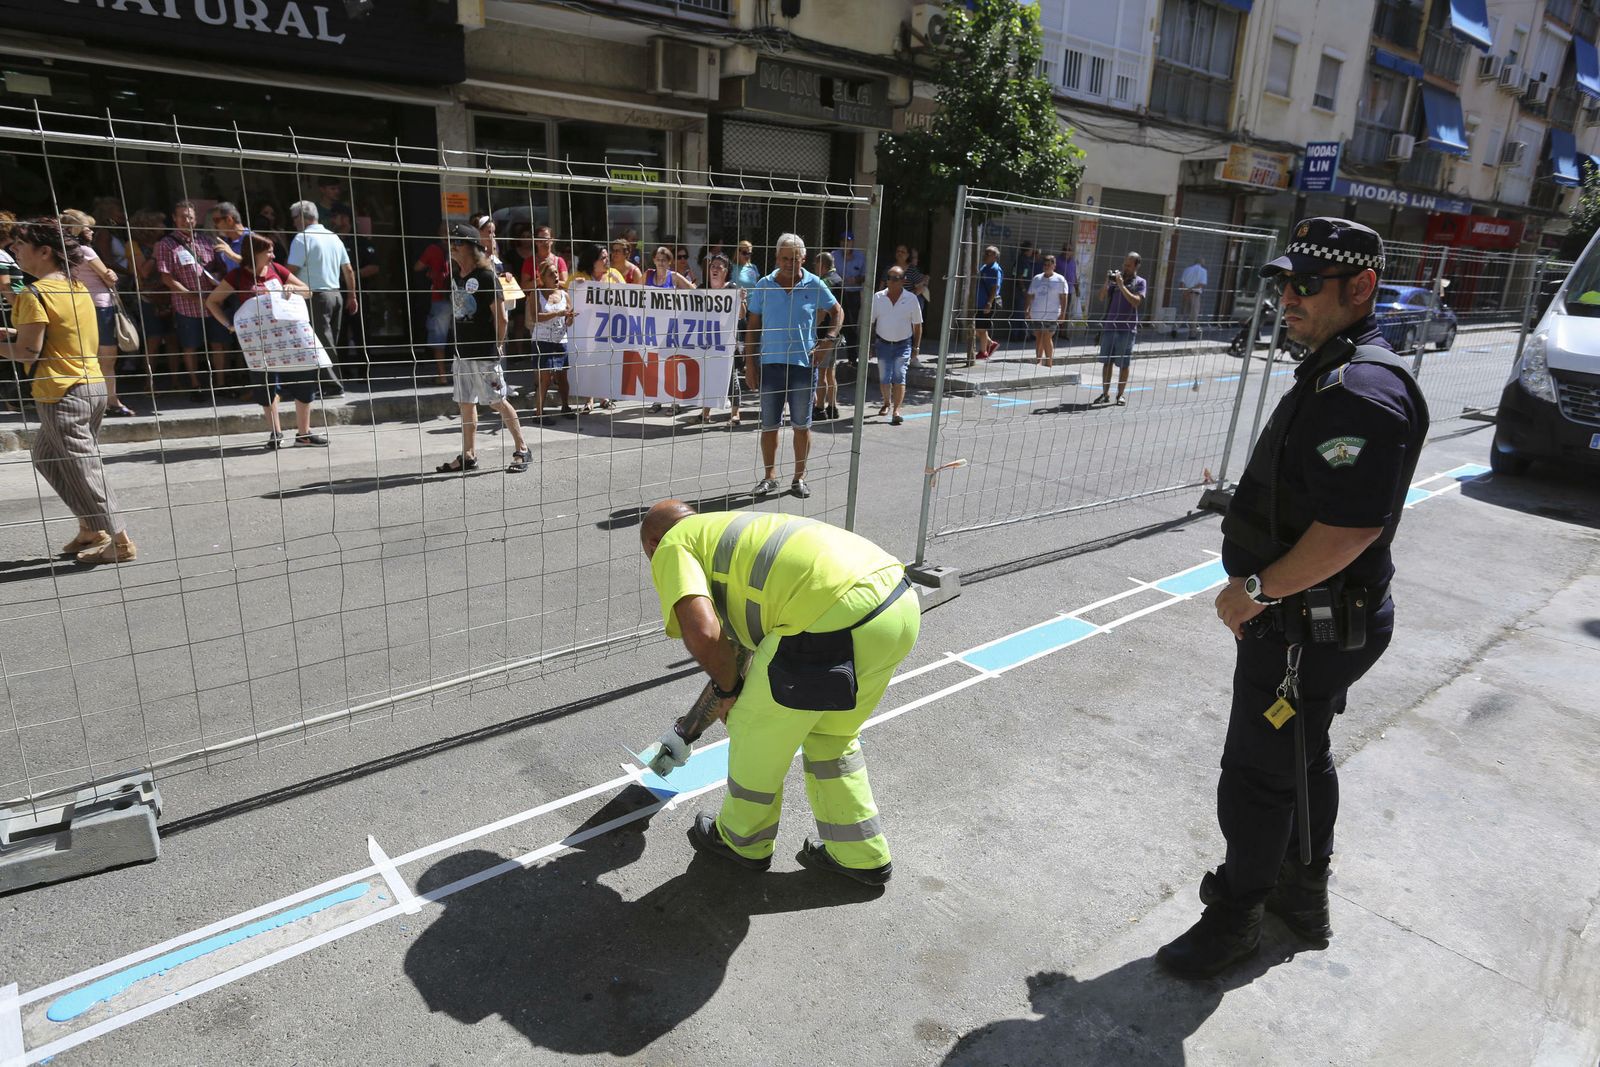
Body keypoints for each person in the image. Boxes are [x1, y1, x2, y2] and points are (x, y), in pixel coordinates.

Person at [1156, 218, 1429, 979]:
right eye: (1284, 282)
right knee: (1301, 758)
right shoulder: (1337, 372)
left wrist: (1252, 591)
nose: (1289, 297)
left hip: (1304, 626)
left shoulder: (1359, 391)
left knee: (1257, 772)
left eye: (1307, 284)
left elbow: (1348, 529)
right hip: (1314, 622)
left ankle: (1238, 915)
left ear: (1361, 288)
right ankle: (1302, 897)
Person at [635, 500, 920, 885]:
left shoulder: (672, 544)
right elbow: (733, 653)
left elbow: (704, 635)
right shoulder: (728, 534)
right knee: (831, 737)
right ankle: (860, 855)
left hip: (830, 615)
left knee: (755, 732)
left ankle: (740, 841)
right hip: (897, 605)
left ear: (652, 544)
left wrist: (729, 691)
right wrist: (688, 730)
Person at [0, 217, 135, 565]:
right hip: (90, 386)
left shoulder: (35, 293)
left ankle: (119, 541)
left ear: (45, 251)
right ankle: (92, 527)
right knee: (47, 456)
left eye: (20, 244)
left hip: (62, 392)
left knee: (84, 467)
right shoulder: (76, 287)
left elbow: (29, 352)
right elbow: (58, 337)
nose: (13, 249)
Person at [206, 232, 326, 450]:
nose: (272, 255)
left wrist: (292, 288)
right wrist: (229, 325)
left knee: (304, 381)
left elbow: (307, 291)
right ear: (254, 253)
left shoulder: (277, 270)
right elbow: (212, 301)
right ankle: (276, 433)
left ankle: (304, 434)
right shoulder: (237, 276)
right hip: (258, 343)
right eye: (268, 251)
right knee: (266, 386)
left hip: (290, 339)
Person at [743, 233, 841, 500]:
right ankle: (769, 477)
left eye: (795, 259)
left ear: (804, 259)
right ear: (777, 258)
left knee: (801, 425)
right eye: (785, 258)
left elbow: (837, 311)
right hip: (770, 364)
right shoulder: (764, 285)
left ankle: (799, 478)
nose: (789, 263)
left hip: (802, 366)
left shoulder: (815, 283)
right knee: (770, 425)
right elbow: (752, 326)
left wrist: (829, 340)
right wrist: (750, 363)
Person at [437, 223, 529, 475]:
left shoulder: (487, 277)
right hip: (461, 353)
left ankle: (522, 448)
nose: (452, 247)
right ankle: (468, 455)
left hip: (484, 353)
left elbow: (503, 317)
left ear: (471, 247)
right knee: (466, 403)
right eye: (451, 242)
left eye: (458, 243)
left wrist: (499, 345)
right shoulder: (457, 277)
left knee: (497, 401)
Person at [59, 210, 134, 417]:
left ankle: (89, 401)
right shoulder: (87, 251)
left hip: (78, 306)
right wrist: (111, 275)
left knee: (84, 356)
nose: (92, 231)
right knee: (108, 357)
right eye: (87, 228)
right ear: (77, 230)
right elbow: (109, 278)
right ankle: (111, 400)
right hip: (101, 306)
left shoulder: (63, 252)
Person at [286, 200, 353, 397]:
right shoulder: (333, 237)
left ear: (301, 217)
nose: (293, 223)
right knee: (328, 341)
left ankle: (332, 385)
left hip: (314, 296)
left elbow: (292, 269)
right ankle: (324, 383)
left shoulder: (302, 238)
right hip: (336, 295)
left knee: (320, 342)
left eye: (294, 219)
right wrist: (352, 296)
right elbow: (348, 269)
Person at [156, 199, 220, 401]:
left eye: (190, 217)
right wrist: (192, 295)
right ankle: (196, 384)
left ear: (196, 219)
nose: (187, 220)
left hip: (212, 303)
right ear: (174, 219)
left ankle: (221, 384)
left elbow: (218, 267)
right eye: (182, 216)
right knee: (190, 345)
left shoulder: (207, 241)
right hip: (186, 305)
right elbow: (167, 277)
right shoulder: (167, 244)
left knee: (218, 343)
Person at [871, 266, 923, 426]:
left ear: (903, 281)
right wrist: (869, 345)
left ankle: (896, 410)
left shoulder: (911, 299)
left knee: (899, 375)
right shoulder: (878, 297)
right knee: (884, 378)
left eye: (896, 278)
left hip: (903, 344)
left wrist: (916, 347)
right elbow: (870, 322)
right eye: (889, 277)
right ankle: (886, 402)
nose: (891, 281)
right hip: (883, 344)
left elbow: (918, 325)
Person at [697, 252, 743, 428]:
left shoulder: (732, 289)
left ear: (726, 271)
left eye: (719, 267)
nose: (715, 269)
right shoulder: (703, 288)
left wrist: (741, 300)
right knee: (708, 375)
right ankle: (705, 413)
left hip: (726, 342)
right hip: (706, 341)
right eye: (712, 266)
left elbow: (742, 315)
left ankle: (735, 413)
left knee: (731, 376)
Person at [1094, 251, 1146, 406]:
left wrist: (1122, 286)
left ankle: (1121, 395)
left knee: (1124, 363)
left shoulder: (1140, 282)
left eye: (1129, 265)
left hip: (1127, 328)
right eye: (1125, 264)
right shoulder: (1116, 281)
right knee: (1107, 362)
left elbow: (1135, 302)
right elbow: (1102, 297)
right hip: (1110, 326)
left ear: (1136, 266)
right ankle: (1105, 394)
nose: (1125, 267)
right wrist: (1107, 282)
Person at [526, 259, 574, 419]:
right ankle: (538, 412)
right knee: (544, 378)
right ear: (543, 277)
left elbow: (568, 321)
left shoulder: (565, 295)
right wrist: (557, 314)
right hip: (542, 340)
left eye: (556, 272)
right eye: (551, 273)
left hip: (560, 340)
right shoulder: (536, 293)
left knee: (562, 376)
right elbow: (535, 317)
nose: (556, 276)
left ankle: (566, 406)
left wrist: (570, 318)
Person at [413, 223, 453, 384]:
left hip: (440, 297)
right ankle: (464, 375)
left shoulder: (433, 249)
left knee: (439, 337)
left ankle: (442, 375)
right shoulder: (461, 249)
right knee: (462, 336)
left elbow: (417, 267)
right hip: (459, 299)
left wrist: (431, 271)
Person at [811, 250, 844, 422]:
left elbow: (823, 310)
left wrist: (812, 327)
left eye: (815, 265)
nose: (814, 268)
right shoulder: (838, 279)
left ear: (822, 265)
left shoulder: (824, 282)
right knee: (831, 373)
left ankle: (819, 408)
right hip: (836, 333)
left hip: (825, 334)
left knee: (821, 372)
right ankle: (833, 407)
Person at [1026, 254, 1069, 368]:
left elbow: (1064, 297)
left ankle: (1049, 362)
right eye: (1045, 265)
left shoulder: (1060, 279)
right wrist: (1027, 309)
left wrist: (1063, 314)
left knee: (1047, 336)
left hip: (1052, 314)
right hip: (1036, 313)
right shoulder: (1037, 278)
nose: (1046, 267)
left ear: (1054, 266)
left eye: (1049, 265)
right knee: (1039, 337)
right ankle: (1038, 361)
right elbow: (1030, 295)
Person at [831, 230, 865, 349]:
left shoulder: (860, 257)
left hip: (853, 293)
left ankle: (852, 355)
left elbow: (866, 276)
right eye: (843, 241)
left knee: (852, 323)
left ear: (853, 242)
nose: (846, 244)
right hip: (837, 293)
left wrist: (856, 279)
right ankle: (836, 342)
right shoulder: (833, 256)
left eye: (848, 241)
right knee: (835, 319)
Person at [969, 245, 1003, 362]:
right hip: (980, 303)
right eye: (985, 253)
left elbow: (995, 287)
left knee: (981, 328)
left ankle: (983, 352)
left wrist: (989, 303)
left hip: (988, 303)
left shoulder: (995, 269)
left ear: (995, 257)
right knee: (979, 327)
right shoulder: (984, 267)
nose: (985, 255)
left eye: (988, 254)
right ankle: (990, 344)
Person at [1180, 256, 1208, 339]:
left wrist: (1185, 291)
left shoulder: (1187, 269)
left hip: (1185, 293)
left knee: (1182, 312)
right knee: (1194, 315)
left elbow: (1182, 282)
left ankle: (1175, 328)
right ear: (1202, 262)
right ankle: (1192, 334)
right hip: (1195, 294)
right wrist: (1190, 290)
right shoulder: (1203, 271)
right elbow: (1201, 284)